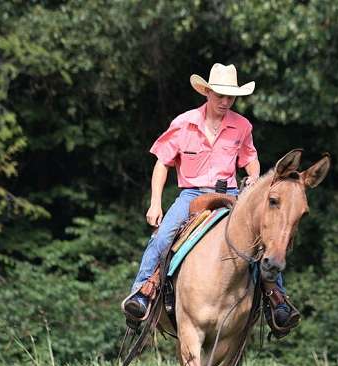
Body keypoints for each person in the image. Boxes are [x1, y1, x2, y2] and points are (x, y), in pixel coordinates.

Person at [122, 63, 295, 333]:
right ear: (208, 92)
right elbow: (162, 164)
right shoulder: (183, 123)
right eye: (220, 95)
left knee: (264, 239)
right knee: (164, 235)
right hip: (192, 194)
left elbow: (251, 160)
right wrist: (156, 202)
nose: (225, 102)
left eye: (230, 97)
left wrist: (252, 177)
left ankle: (277, 300)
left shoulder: (242, 126)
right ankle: (142, 292)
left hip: (231, 195)